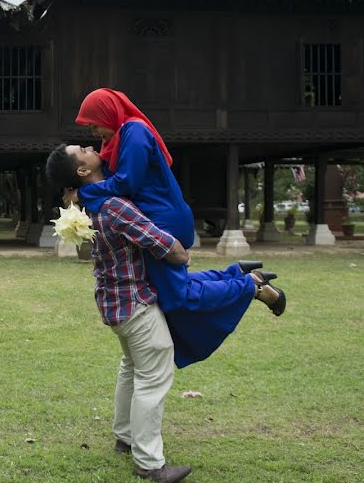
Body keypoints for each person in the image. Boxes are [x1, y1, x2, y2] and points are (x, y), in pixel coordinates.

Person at [45, 144, 279, 483]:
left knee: (132, 368)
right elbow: (162, 243)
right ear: (82, 171)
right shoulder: (113, 205)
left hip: (114, 305)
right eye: (83, 150)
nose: (92, 147)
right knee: (153, 376)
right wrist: (182, 256)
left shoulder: (88, 204)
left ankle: (125, 437)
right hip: (135, 304)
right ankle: (150, 464)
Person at [69, 88, 285, 368]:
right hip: (155, 218)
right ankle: (236, 273)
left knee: (178, 297)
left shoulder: (134, 132)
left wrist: (84, 194)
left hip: (163, 220)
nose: (94, 132)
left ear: (107, 113)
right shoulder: (120, 137)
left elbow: (126, 184)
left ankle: (250, 286)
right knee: (173, 288)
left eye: (94, 123)